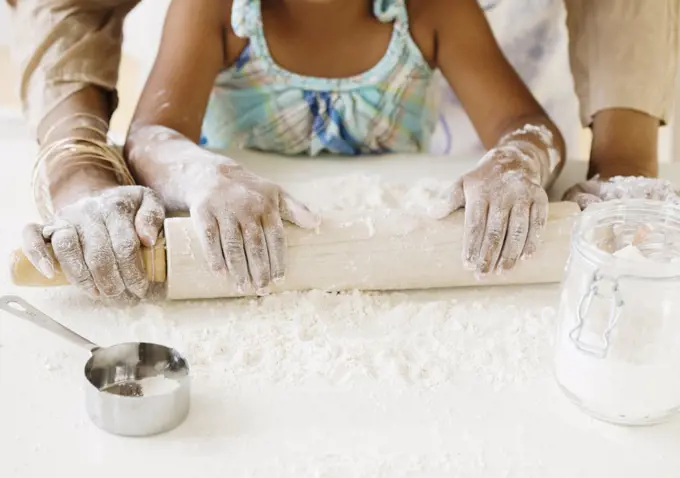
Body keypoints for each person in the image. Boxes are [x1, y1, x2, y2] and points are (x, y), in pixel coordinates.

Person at [6, 0, 678, 300]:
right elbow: (153, 135)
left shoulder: (433, 10)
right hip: (236, 202)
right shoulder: (218, 9)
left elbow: (525, 129)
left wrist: (519, 160)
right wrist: (201, 175)